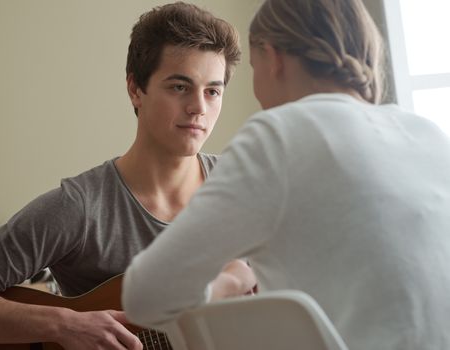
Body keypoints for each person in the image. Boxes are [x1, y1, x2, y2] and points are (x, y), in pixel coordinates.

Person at [122, 0, 450, 349]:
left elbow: (146, 296)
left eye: (252, 67)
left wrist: (228, 283)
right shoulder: (428, 134)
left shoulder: (277, 135)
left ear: (272, 57)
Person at [0, 3, 255, 350]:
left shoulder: (244, 187)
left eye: (212, 91)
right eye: (179, 87)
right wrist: (63, 325)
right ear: (135, 89)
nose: (199, 107)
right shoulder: (80, 207)